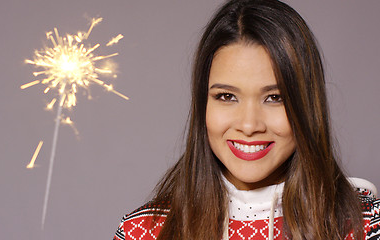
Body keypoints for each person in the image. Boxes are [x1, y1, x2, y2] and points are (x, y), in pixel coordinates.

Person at [113, 0, 380, 239]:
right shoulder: (144, 231)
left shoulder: (363, 227)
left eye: (275, 98)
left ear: (306, 106)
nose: (249, 125)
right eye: (227, 96)